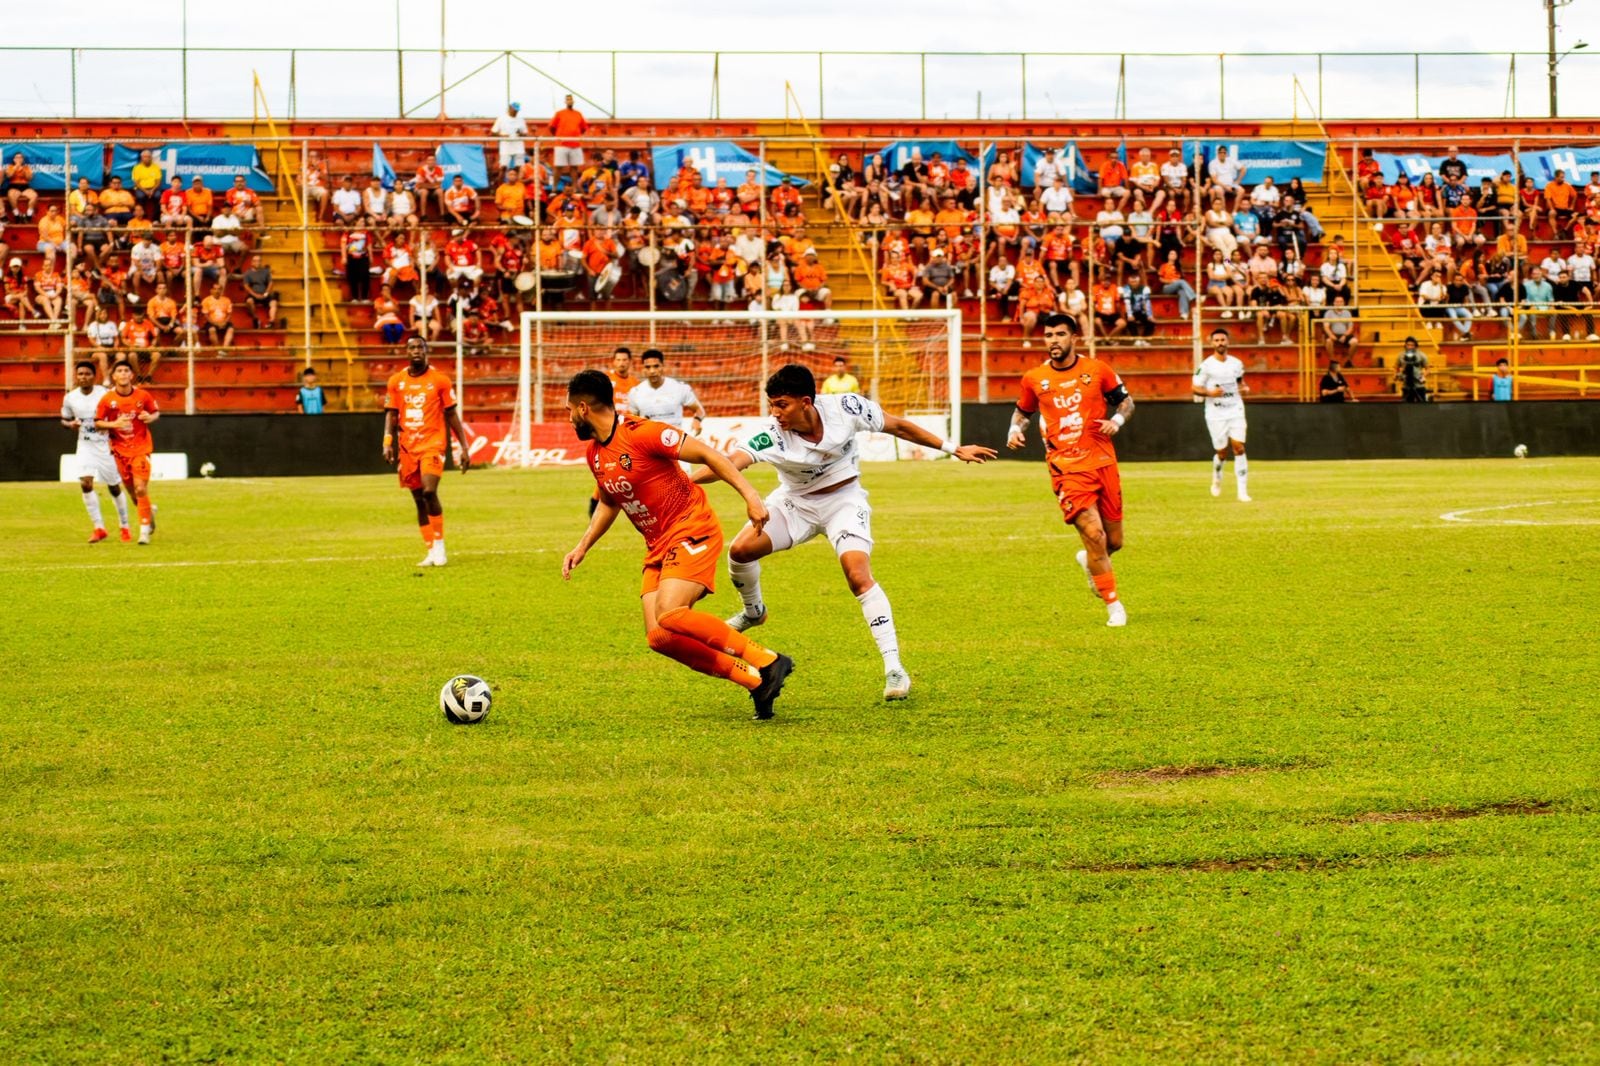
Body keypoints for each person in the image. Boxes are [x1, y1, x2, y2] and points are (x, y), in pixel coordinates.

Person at [696, 363, 995, 700]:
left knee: (857, 575)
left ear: (806, 402)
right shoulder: (770, 434)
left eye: (782, 405)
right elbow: (728, 463)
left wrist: (952, 448)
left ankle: (894, 668)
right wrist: (685, 480)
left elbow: (897, 426)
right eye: (772, 405)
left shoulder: (846, 408)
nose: (775, 413)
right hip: (795, 504)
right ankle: (754, 612)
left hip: (844, 501)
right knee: (739, 551)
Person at [561, 369, 795, 719]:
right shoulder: (595, 453)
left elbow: (710, 455)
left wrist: (751, 496)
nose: (568, 418)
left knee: (671, 613)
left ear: (582, 408)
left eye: (568, 410)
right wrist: (582, 546)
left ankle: (768, 660)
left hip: (692, 528)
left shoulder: (643, 433)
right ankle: (754, 682)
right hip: (658, 545)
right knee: (660, 636)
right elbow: (611, 501)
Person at [1007, 313, 1135, 627]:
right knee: (1094, 533)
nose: (1053, 341)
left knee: (1113, 541)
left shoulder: (1097, 370)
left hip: (1103, 462)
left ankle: (1091, 563)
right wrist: (1013, 430)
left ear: (1073, 337)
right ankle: (1114, 605)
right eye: (1049, 335)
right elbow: (1022, 412)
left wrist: (1115, 421)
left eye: (1060, 335)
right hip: (1066, 467)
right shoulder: (1035, 378)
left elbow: (1127, 403)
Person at [382, 338, 473, 567]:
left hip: (432, 444)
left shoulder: (439, 380)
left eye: (420, 348)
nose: (416, 351)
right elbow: (392, 414)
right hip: (407, 447)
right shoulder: (396, 381)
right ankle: (431, 550)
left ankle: (440, 546)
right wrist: (387, 441)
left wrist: (464, 447)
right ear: (407, 352)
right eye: (412, 348)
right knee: (418, 500)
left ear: (426, 352)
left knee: (429, 491)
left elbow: (451, 414)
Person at [62, 361, 132, 542]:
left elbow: (119, 413)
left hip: (105, 445)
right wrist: (71, 425)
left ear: (94, 377)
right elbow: (64, 419)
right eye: (80, 374)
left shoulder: (105, 394)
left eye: (87, 374)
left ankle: (124, 526)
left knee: (114, 487)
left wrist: (110, 426)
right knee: (85, 483)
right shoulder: (71, 397)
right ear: (76, 377)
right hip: (85, 445)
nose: (83, 377)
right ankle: (99, 527)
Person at [93, 361, 160, 545]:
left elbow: (155, 413)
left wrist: (150, 417)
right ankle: (149, 513)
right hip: (120, 451)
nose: (123, 374)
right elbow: (97, 423)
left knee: (140, 488)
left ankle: (144, 533)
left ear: (131, 375)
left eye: (126, 371)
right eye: (119, 371)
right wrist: (113, 424)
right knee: (133, 494)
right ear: (114, 376)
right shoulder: (107, 399)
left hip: (141, 448)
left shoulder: (143, 395)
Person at [1192, 328, 1252, 502]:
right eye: (1217, 340)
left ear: (1228, 342)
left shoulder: (1236, 363)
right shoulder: (1206, 366)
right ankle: (1217, 476)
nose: (1220, 343)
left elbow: (1240, 382)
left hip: (1235, 409)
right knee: (1222, 452)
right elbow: (1195, 388)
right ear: (1212, 343)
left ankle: (1242, 491)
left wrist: (1244, 388)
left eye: (1222, 340)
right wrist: (1211, 393)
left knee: (1239, 447)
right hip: (1215, 412)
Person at [626, 349, 705, 433]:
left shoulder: (679, 388)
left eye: (656, 366)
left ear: (663, 366)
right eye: (648, 367)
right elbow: (633, 420)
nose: (652, 371)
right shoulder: (635, 392)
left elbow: (699, 410)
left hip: (675, 440)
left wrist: (697, 420)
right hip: (649, 441)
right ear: (643, 369)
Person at [549, 94, 589, 186]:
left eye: (571, 99)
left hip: (575, 145)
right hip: (561, 144)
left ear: (573, 101)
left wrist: (576, 136)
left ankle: (575, 187)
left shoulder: (578, 114)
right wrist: (558, 136)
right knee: (558, 167)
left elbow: (584, 128)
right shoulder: (559, 113)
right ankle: (554, 188)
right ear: (565, 101)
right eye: (567, 99)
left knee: (574, 167)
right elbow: (552, 127)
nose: (569, 101)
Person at [491, 101, 528, 168]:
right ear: (510, 108)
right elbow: (493, 133)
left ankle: (518, 178)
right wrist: (502, 136)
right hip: (506, 146)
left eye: (517, 111)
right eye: (514, 110)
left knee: (519, 167)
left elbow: (525, 133)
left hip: (518, 147)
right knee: (503, 166)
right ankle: (501, 178)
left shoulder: (521, 119)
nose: (515, 112)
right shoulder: (501, 118)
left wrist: (520, 134)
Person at [1395, 336, 1429, 403]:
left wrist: (1423, 376)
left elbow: (1428, 369)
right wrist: (1396, 375)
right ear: (1405, 345)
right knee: (1407, 406)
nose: (1410, 347)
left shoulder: (1422, 355)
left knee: (1422, 405)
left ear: (1415, 346)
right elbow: (1396, 367)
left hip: (1418, 385)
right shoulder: (1401, 355)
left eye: (1412, 345)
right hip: (1406, 385)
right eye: (1408, 345)